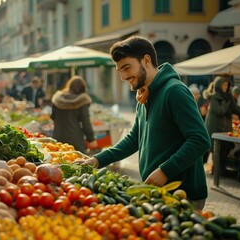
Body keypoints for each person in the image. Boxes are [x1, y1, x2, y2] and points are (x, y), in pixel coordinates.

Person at [75, 36, 211, 210]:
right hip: (157, 193)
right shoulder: (144, 95)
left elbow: (200, 140)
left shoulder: (174, 91)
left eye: (127, 68)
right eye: (119, 71)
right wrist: (97, 160)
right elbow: (134, 139)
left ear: (146, 60)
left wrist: (165, 171)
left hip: (183, 194)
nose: (123, 76)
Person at [204, 76, 240, 175]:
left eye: (227, 85)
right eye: (223, 85)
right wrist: (227, 103)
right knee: (216, 151)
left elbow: (236, 109)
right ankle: (216, 172)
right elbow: (220, 111)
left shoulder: (228, 97)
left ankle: (221, 170)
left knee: (224, 151)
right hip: (214, 130)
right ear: (218, 86)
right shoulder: (214, 98)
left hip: (225, 129)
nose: (225, 87)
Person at [51, 75, 98, 153]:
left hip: (58, 137)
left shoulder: (58, 99)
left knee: (58, 161)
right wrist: (91, 139)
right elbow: (86, 123)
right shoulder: (82, 101)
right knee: (76, 162)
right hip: (75, 140)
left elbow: (53, 117)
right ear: (83, 88)